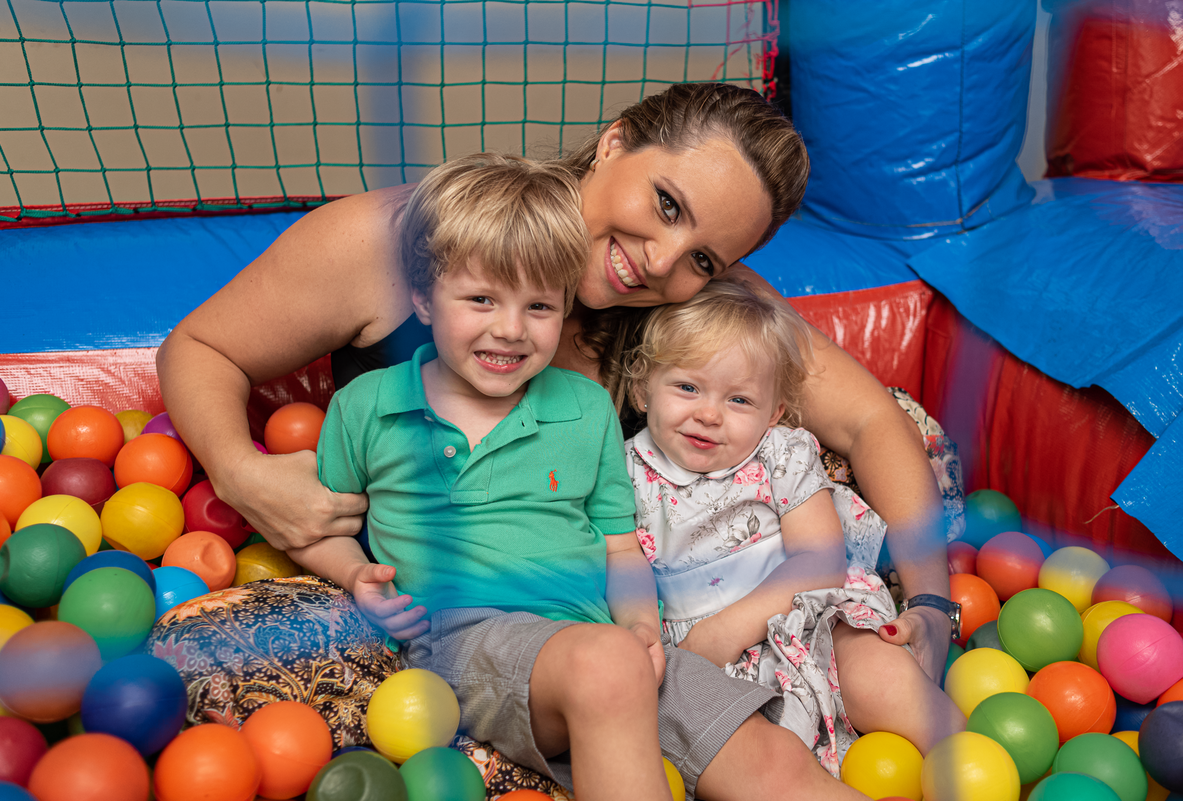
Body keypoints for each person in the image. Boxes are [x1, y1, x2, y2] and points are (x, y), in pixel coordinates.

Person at [156, 82, 952, 680]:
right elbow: (198, 346)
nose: (661, 261)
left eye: (705, 257)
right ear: (614, 143)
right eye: (666, 204)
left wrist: (931, 604)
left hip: (599, 633)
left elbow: (870, 420)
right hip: (411, 602)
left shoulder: (702, 302)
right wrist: (240, 471)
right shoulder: (401, 241)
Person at [286, 152, 868, 801]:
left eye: (539, 305)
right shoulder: (368, 407)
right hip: (465, 636)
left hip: (601, 642)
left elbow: (619, 546)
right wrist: (354, 574)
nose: (510, 329)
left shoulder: (586, 408)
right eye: (481, 299)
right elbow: (318, 522)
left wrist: (642, 625)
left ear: (565, 307)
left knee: (772, 756)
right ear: (423, 297)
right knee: (607, 666)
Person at [621, 279, 965, 777]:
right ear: (641, 388)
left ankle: (968, 759)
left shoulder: (780, 454)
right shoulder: (623, 472)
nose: (709, 414)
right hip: (704, 661)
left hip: (809, 617)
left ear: (774, 412)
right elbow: (621, 565)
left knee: (880, 676)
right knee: (747, 757)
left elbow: (820, 559)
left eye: (740, 400)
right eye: (688, 387)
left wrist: (729, 627)